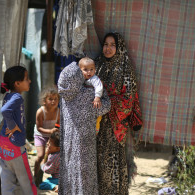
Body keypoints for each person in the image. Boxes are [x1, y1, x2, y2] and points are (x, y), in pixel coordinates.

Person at [95, 32, 143, 195]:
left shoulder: (125, 67)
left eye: (112, 45)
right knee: (97, 164)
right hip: (96, 125)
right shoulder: (97, 64)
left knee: (113, 165)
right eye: (105, 44)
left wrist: (107, 103)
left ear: (119, 47)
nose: (108, 48)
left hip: (115, 127)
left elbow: (129, 98)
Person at [57, 61, 111, 195]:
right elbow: (106, 106)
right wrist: (103, 96)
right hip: (85, 143)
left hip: (68, 143)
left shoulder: (64, 97)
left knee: (69, 170)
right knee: (85, 174)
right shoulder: (88, 94)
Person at [0, 65, 37, 195]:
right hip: (15, 144)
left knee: (7, 182)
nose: (29, 81)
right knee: (27, 182)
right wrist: (13, 125)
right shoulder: (17, 97)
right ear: (17, 83)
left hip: (3, 144)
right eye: (27, 79)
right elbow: (5, 111)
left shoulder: (8, 96)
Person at [33, 87, 60, 186]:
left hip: (51, 136)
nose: (53, 101)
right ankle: (36, 176)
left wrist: (55, 133)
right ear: (44, 101)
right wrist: (50, 131)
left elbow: (58, 125)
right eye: (50, 99)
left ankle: (52, 175)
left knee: (50, 155)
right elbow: (39, 128)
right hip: (40, 135)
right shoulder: (40, 112)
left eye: (56, 99)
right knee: (40, 155)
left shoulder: (58, 111)